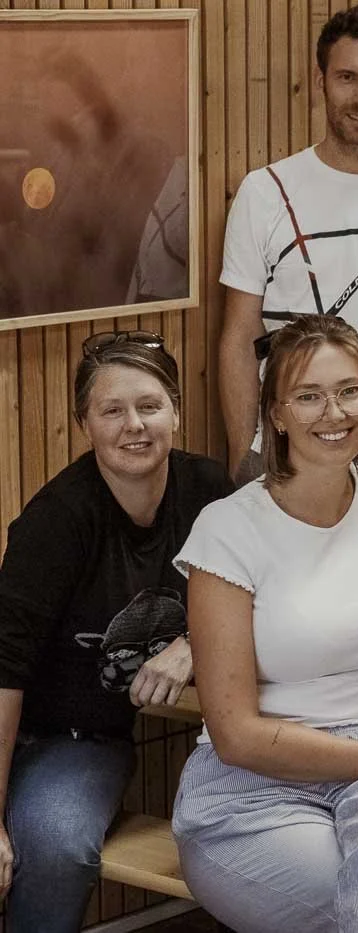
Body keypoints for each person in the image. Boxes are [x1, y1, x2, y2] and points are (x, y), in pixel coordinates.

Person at [171, 316, 358, 933]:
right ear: (275, 414)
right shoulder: (226, 530)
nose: (333, 412)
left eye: (349, 390)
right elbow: (237, 736)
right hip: (254, 787)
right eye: (308, 396)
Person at [0, 332, 231, 932]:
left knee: (58, 843)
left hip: (90, 740)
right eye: (111, 410)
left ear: (176, 410)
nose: (135, 425)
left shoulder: (210, 494)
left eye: (150, 406)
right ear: (84, 423)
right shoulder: (57, 522)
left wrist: (195, 645)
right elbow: (4, 669)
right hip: (32, 732)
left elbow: (269, 595)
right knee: (49, 846)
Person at [219, 2, 358, 480]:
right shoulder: (265, 191)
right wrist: (245, 456)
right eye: (346, 78)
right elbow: (239, 333)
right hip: (290, 452)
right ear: (320, 81)